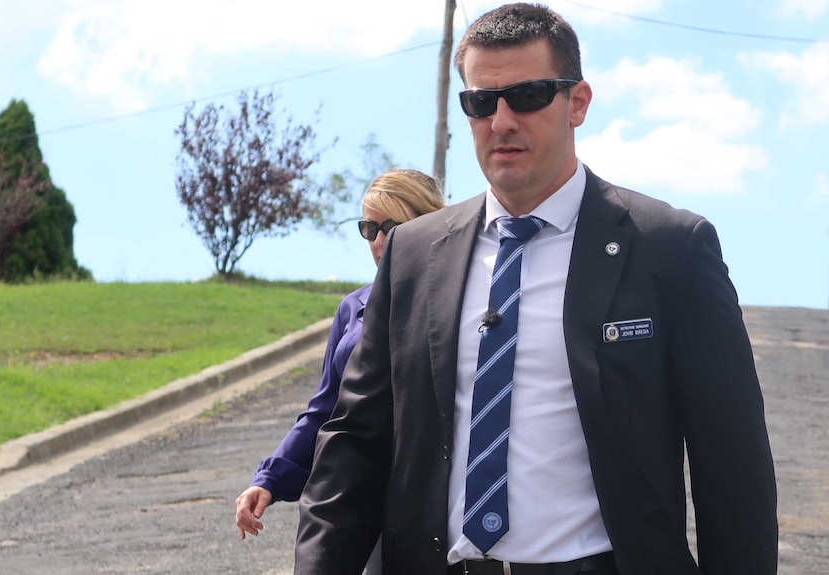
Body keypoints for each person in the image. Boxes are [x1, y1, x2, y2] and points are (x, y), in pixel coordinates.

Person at [294, 4, 778, 575]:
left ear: (577, 102)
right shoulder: (412, 255)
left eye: (526, 96)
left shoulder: (670, 249)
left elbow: (733, 468)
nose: (501, 122)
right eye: (480, 102)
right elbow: (355, 445)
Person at [234, 168, 446, 574]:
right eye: (370, 228)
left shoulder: (460, 299)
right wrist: (269, 478)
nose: (380, 241)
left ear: (428, 223)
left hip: (433, 499)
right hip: (358, 492)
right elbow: (326, 409)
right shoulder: (353, 308)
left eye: (394, 226)